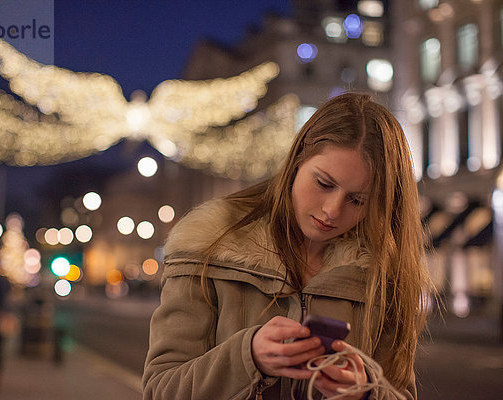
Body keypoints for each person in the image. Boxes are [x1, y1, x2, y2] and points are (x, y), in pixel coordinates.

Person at [143, 93, 434, 400]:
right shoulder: (209, 245)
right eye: (323, 183)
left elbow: (401, 392)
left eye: (357, 199)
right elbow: (160, 390)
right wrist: (249, 357)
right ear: (296, 162)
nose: (332, 210)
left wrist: (363, 393)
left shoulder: (381, 273)